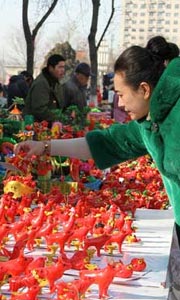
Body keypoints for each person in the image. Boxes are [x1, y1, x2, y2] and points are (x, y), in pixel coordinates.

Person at [14, 46, 180, 245]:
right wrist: (44, 147)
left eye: (121, 94)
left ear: (144, 90)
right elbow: (106, 142)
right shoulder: (148, 124)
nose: (118, 103)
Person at [23, 54, 65, 123]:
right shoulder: (41, 83)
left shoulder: (55, 82)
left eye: (63, 67)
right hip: (35, 125)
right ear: (51, 68)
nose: (63, 70)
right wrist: (58, 117)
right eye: (60, 67)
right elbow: (39, 109)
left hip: (50, 124)